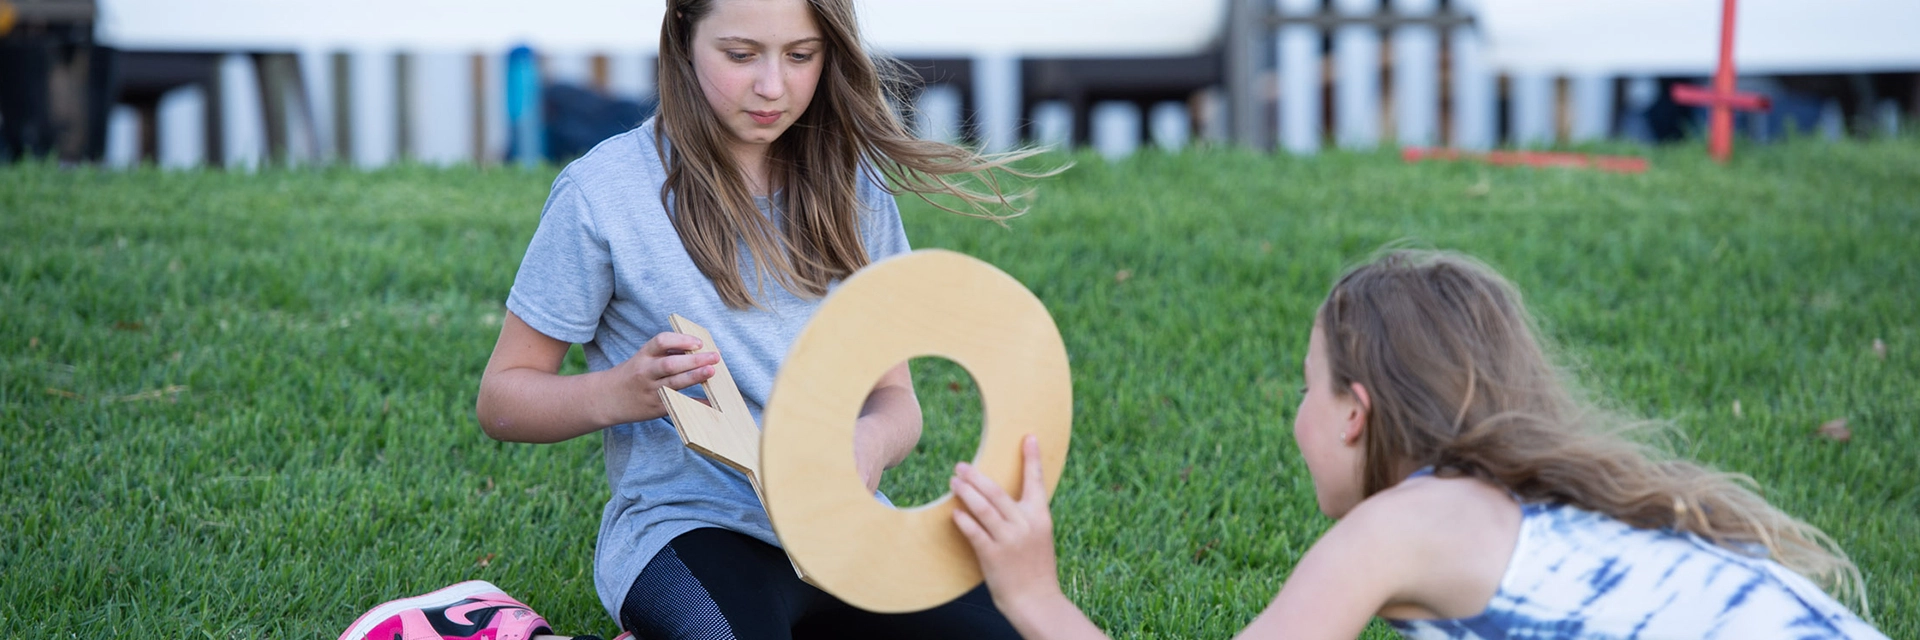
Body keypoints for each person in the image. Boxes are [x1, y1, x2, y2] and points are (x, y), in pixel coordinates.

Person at [461, 0, 1055, 637]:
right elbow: (503, 399)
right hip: (685, 529)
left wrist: (870, 444)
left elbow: (895, 398)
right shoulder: (602, 194)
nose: (773, 86)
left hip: (840, 532)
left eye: (801, 56)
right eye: (740, 55)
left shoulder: (857, 189)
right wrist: (620, 392)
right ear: (685, 36)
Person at [948, 250, 1889, 639]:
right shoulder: (1510, 508)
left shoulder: (1403, 526)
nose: (1296, 419)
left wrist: (1035, 596)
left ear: (1354, 411)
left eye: (1304, 388)